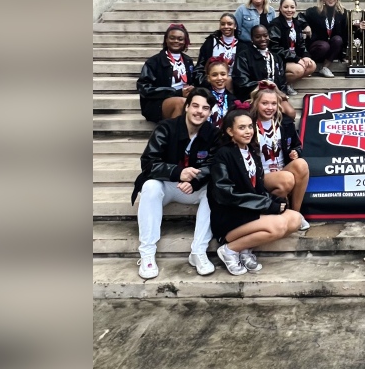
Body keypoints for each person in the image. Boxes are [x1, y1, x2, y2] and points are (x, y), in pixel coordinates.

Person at [131, 88, 219, 279]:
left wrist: (195, 182)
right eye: (195, 105)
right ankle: (147, 254)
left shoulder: (213, 134)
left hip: (191, 188)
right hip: (167, 184)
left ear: (210, 112)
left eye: (205, 108)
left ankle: (198, 251)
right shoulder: (166, 128)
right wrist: (179, 172)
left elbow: (215, 165)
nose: (199, 111)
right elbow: (149, 162)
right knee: (150, 186)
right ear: (186, 107)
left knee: (214, 190)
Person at [207, 106, 304, 276]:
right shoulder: (223, 154)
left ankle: (244, 249)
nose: (248, 131)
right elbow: (225, 193)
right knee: (279, 225)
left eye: (250, 126)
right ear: (230, 131)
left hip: (250, 211)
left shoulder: (252, 152)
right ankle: (229, 250)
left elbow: (257, 188)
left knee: (295, 219)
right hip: (230, 216)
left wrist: (273, 200)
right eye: (241, 127)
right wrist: (267, 205)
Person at [249, 84, 312, 231]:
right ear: (256, 103)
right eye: (264, 103)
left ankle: (295, 215)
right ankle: (276, 212)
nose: (269, 107)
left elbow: (297, 145)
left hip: (281, 168)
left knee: (301, 164)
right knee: (286, 179)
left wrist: (295, 152)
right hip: (260, 175)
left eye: (273, 103)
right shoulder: (248, 123)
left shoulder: (285, 122)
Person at [232, 24, 296, 119]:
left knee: (290, 113)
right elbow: (242, 82)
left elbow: (282, 82)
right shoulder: (244, 56)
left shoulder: (276, 57)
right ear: (252, 39)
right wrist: (264, 85)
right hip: (254, 94)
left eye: (265, 35)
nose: (263, 39)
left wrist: (279, 93)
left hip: (274, 94)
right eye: (258, 37)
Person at [137, 23, 196, 122]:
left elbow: (193, 81)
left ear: (185, 41)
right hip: (157, 103)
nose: (176, 41)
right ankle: (173, 135)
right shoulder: (154, 62)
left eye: (180, 39)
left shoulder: (187, 61)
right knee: (181, 102)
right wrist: (175, 92)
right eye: (172, 38)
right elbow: (144, 88)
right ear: (166, 40)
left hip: (183, 98)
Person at [268, 0, 316, 95]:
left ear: (295, 8)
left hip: (294, 57)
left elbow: (301, 44)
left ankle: (287, 84)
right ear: (280, 8)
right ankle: (280, 85)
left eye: (292, 7)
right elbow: (275, 48)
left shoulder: (297, 23)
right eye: (286, 7)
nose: (289, 10)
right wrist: (296, 59)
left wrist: (305, 56)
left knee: (312, 65)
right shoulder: (275, 24)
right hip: (280, 58)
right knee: (299, 70)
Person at [303, 0, 348, 78]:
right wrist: (306, 25)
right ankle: (312, 66)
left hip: (332, 51)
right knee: (324, 46)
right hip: (317, 47)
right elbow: (300, 18)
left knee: (338, 39)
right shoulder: (313, 11)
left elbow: (345, 33)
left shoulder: (342, 13)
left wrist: (343, 55)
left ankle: (325, 67)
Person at [193, 13, 239, 86]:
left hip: (234, 84)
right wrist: (207, 82)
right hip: (212, 81)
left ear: (235, 26)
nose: (226, 26)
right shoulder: (210, 42)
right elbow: (200, 67)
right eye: (223, 24)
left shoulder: (242, 45)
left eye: (229, 24)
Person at [201, 58, 237, 128]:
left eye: (223, 74)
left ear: (227, 76)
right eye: (214, 75)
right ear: (208, 78)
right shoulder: (202, 96)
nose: (219, 78)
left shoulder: (233, 100)